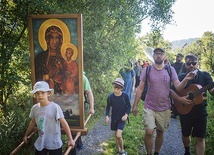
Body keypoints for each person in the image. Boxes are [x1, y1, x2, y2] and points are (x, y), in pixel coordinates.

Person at [132, 48, 195, 155]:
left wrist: (186, 79)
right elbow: (140, 88)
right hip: (149, 106)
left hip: (165, 107)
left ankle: (156, 152)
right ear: (153, 55)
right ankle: (148, 153)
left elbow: (178, 87)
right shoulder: (147, 70)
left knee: (160, 132)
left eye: (161, 54)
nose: (159, 56)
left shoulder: (170, 70)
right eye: (157, 54)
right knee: (149, 132)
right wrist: (135, 105)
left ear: (164, 56)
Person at [170, 54, 214, 155]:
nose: (191, 65)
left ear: (197, 63)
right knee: (185, 134)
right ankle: (187, 151)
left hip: (201, 111)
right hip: (185, 111)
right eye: (189, 63)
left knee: (200, 138)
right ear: (185, 64)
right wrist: (180, 99)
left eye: (194, 63)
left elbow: (211, 90)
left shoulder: (205, 76)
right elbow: (171, 90)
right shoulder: (181, 77)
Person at [23, 81, 75, 155]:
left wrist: (70, 139)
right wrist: (26, 135)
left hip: (54, 143)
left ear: (48, 93)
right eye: (37, 93)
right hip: (41, 142)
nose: (40, 95)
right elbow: (32, 122)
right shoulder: (35, 108)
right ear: (35, 95)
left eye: (43, 93)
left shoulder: (55, 107)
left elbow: (64, 123)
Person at [69, 72, 95, 155]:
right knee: (76, 125)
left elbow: (89, 92)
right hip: (67, 104)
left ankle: (72, 151)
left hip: (79, 105)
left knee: (75, 126)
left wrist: (91, 107)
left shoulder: (82, 77)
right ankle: (79, 144)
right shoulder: (64, 76)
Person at [35, 26, 64, 94]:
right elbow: (37, 78)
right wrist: (48, 75)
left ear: (60, 40)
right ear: (47, 39)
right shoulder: (40, 57)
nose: (54, 41)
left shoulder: (63, 57)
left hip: (61, 95)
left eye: (57, 38)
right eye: (52, 38)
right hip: (45, 95)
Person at [105, 78, 131, 155]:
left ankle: (123, 151)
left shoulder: (125, 96)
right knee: (116, 135)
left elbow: (129, 106)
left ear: (121, 88)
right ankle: (119, 150)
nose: (115, 89)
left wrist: (126, 115)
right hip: (114, 118)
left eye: (117, 88)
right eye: (114, 87)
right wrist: (107, 116)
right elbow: (108, 107)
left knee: (118, 135)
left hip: (121, 119)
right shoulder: (110, 97)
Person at [171, 53, 185, 118]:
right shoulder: (172, 65)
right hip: (172, 83)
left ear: (182, 58)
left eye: (178, 57)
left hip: (181, 83)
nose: (177, 58)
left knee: (179, 97)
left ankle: (179, 112)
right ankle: (173, 112)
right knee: (172, 97)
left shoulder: (184, 66)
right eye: (176, 56)